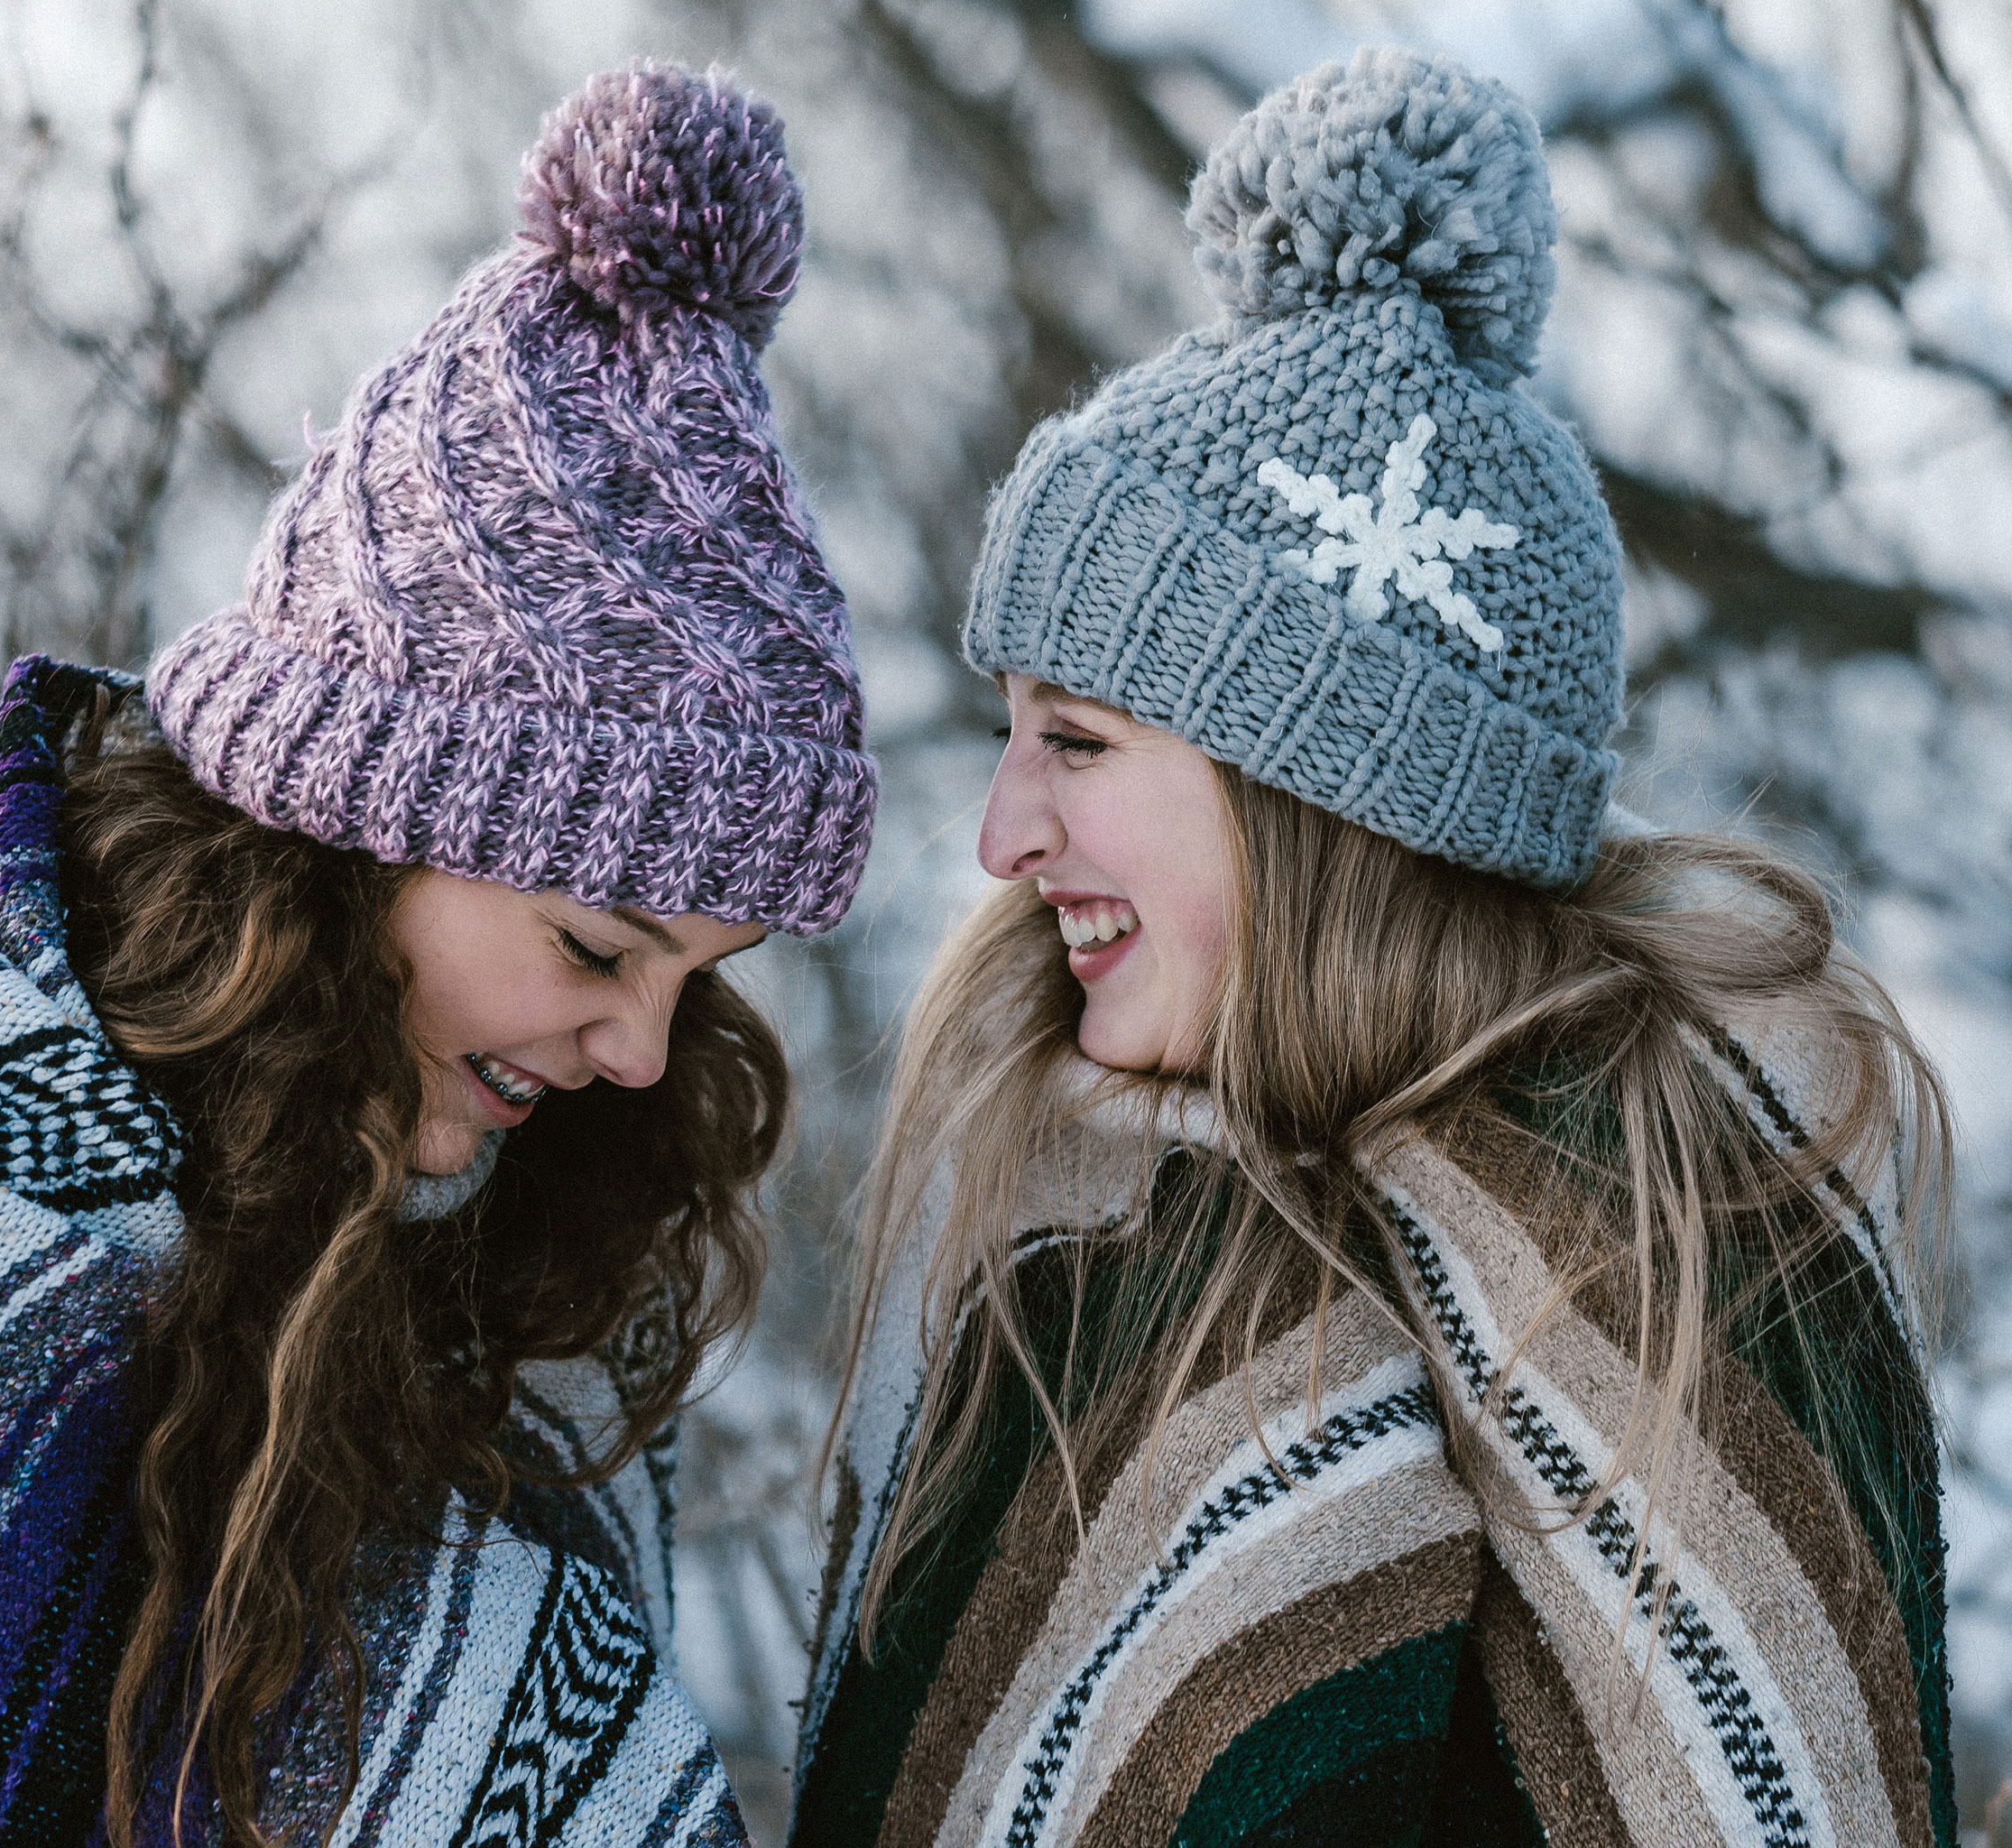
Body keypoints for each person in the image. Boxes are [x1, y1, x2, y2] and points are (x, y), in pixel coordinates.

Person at [0, 62, 879, 1848]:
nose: (639, 1049)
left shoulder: (519, 1247)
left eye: (692, 980)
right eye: (595, 946)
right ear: (356, 831)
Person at [792, 49, 1958, 1847]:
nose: (1002, 832)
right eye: (1009, 732)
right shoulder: (1065, 1245)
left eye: (1080, 741)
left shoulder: (1706, 1274)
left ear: (1322, 799)